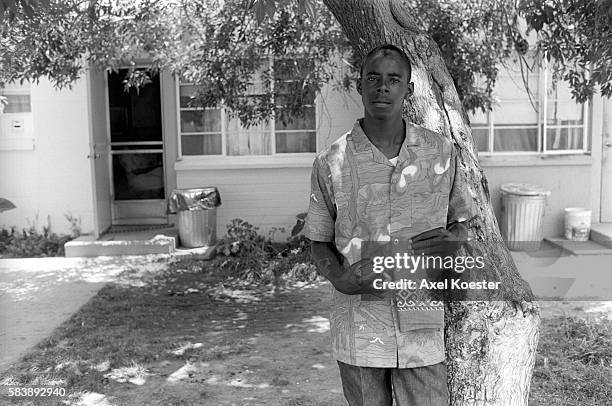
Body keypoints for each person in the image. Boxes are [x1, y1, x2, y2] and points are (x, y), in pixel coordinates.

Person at [304, 44, 476, 406]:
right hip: (359, 323)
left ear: (408, 90)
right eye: (373, 78)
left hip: (421, 317)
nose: (383, 87)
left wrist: (453, 241)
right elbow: (318, 240)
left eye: (393, 80)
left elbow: (461, 222)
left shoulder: (440, 153)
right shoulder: (331, 162)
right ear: (360, 86)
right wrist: (339, 277)